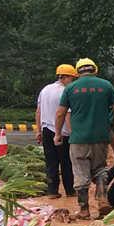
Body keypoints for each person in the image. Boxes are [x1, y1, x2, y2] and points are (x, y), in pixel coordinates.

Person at [54, 58, 114, 220]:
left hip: (78, 139)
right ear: (95, 70)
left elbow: (60, 113)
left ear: (77, 72)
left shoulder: (71, 88)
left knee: (80, 173)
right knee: (100, 169)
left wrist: (58, 133)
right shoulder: (106, 85)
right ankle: (102, 200)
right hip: (101, 137)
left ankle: (84, 209)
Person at [36, 64, 76, 198]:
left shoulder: (45, 89)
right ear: (66, 77)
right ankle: (70, 191)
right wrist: (73, 134)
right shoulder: (65, 91)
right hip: (62, 132)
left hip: (46, 130)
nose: (73, 81)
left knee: (51, 162)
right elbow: (67, 115)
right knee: (66, 163)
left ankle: (52, 191)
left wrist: (38, 131)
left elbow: (38, 111)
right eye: (73, 78)